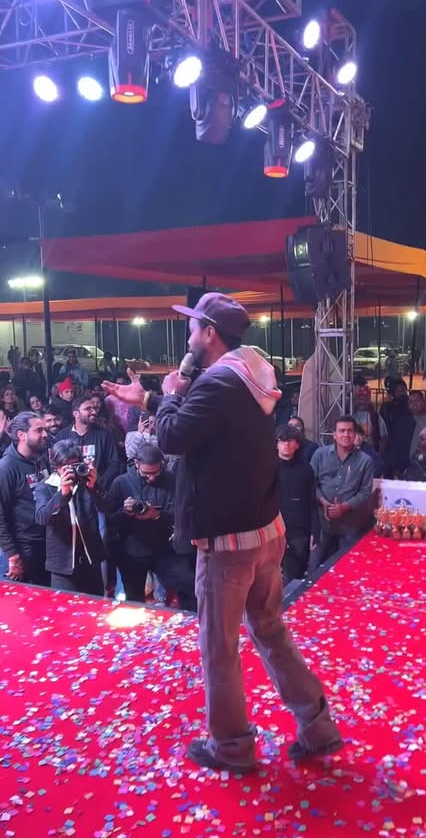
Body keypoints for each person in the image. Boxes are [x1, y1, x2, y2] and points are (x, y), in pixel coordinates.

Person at [102, 292, 343, 772]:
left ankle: (231, 746)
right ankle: (318, 725)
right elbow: (200, 422)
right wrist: (150, 398)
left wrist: (170, 391)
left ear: (209, 334)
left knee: (219, 646)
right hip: (265, 531)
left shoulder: (216, 383)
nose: (188, 335)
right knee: (270, 629)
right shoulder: (250, 371)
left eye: (193, 327)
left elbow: (173, 436)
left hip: (228, 543)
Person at [34, 440, 110, 595]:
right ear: (56, 466)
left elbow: (108, 508)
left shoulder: (87, 482)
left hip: (91, 560)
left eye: (75, 465)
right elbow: (41, 517)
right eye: (66, 466)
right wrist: (62, 493)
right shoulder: (45, 486)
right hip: (62, 566)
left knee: (94, 606)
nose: (71, 470)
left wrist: (94, 487)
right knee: (64, 608)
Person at [107, 444, 177, 604]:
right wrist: (124, 511)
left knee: (185, 586)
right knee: (134, 599)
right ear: (136, 464)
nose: (151, 478)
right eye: (146, 474)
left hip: (165, 549)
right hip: (132, 551)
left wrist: (157, 514)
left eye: (156, 472)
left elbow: (181, 515)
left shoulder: (171, 480)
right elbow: (110, 520)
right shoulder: (121, 482)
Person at [310, 416, 374, 563]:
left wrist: (344, 507)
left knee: (348, 567)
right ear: (334, 434)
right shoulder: (320, 455)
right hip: (322, 523)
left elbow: (365, 493)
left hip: (350, 525)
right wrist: (323, 502)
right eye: (342, 431)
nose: (346, 434)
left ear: (355, 434)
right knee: (314, 568)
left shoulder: (365, 461)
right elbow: (310, 484)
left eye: (350, 431)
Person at [0, 412, 49, 585]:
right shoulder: (6, 468)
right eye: (39, 430)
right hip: (23, 549)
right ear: (22, 435)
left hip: (46, 543)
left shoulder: (41, 461)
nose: (45, 434)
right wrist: (12, 554)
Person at [276, 425, 319, 584]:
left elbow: (312, 503)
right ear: (276, 444)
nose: (286, 444)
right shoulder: (267, 468)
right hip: (272, 531)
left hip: (298, 532)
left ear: (298, 444)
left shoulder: (306, 470)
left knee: (294, 580)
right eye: (282, 440)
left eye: (290, 440)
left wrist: (315, 530)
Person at [55, 395, 121, 491]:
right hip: (70, 489)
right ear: (76, 413)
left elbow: (114, 463)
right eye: (88, 409)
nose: (94, 412)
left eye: (94, 409)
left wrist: (100, 483)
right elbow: (56, 464)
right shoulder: (62, 436)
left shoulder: (105, 435)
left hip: (96, 490)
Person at [353, 384, 388, 454]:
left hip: (371, 455)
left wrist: (379, 455)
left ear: (369, 399)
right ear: (356, 400)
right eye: (360, 399)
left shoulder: (376, 417)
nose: (362, 402)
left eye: (365, 399)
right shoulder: (351, 416)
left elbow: (385, 437)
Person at [407, 390, 426, 462]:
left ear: (424, 402)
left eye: (417, 401)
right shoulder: (405, 421)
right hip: (409, 463)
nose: (414, 405)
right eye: (411, 402)